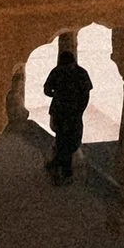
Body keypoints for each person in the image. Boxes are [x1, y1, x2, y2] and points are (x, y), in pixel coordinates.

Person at [45, 38, 93, 183]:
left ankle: (57, 165)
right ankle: (64, 172)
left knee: (67, 141)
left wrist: (58, 95)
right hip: (67, 113)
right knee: (66, 141)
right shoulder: (79, 73)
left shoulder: (60, 71)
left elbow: (47, 89)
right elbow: (86, 94)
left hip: (67, 112)